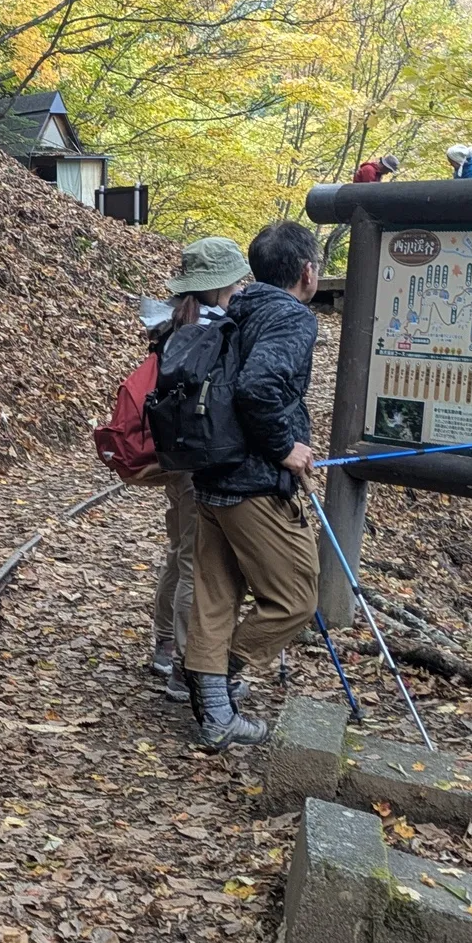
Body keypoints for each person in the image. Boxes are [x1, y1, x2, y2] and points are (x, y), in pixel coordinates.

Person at [182, 220, 325, 750]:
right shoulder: (290, 318)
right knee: (293, 599)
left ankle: (215, 712)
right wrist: (286, 448)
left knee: (216, 595)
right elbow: (259, 386)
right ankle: (214, 679)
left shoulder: (235, 307)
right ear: (308, 272)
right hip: (252, 483)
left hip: (212, 472)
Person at [147, 237, 251, 703]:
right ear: (221, 283)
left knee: (179, 550)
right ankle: (186, 669)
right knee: (196, 562)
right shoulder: (216, 330)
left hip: (173, 454)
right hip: (199, 457)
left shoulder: (171, 322)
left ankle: (165, 646)